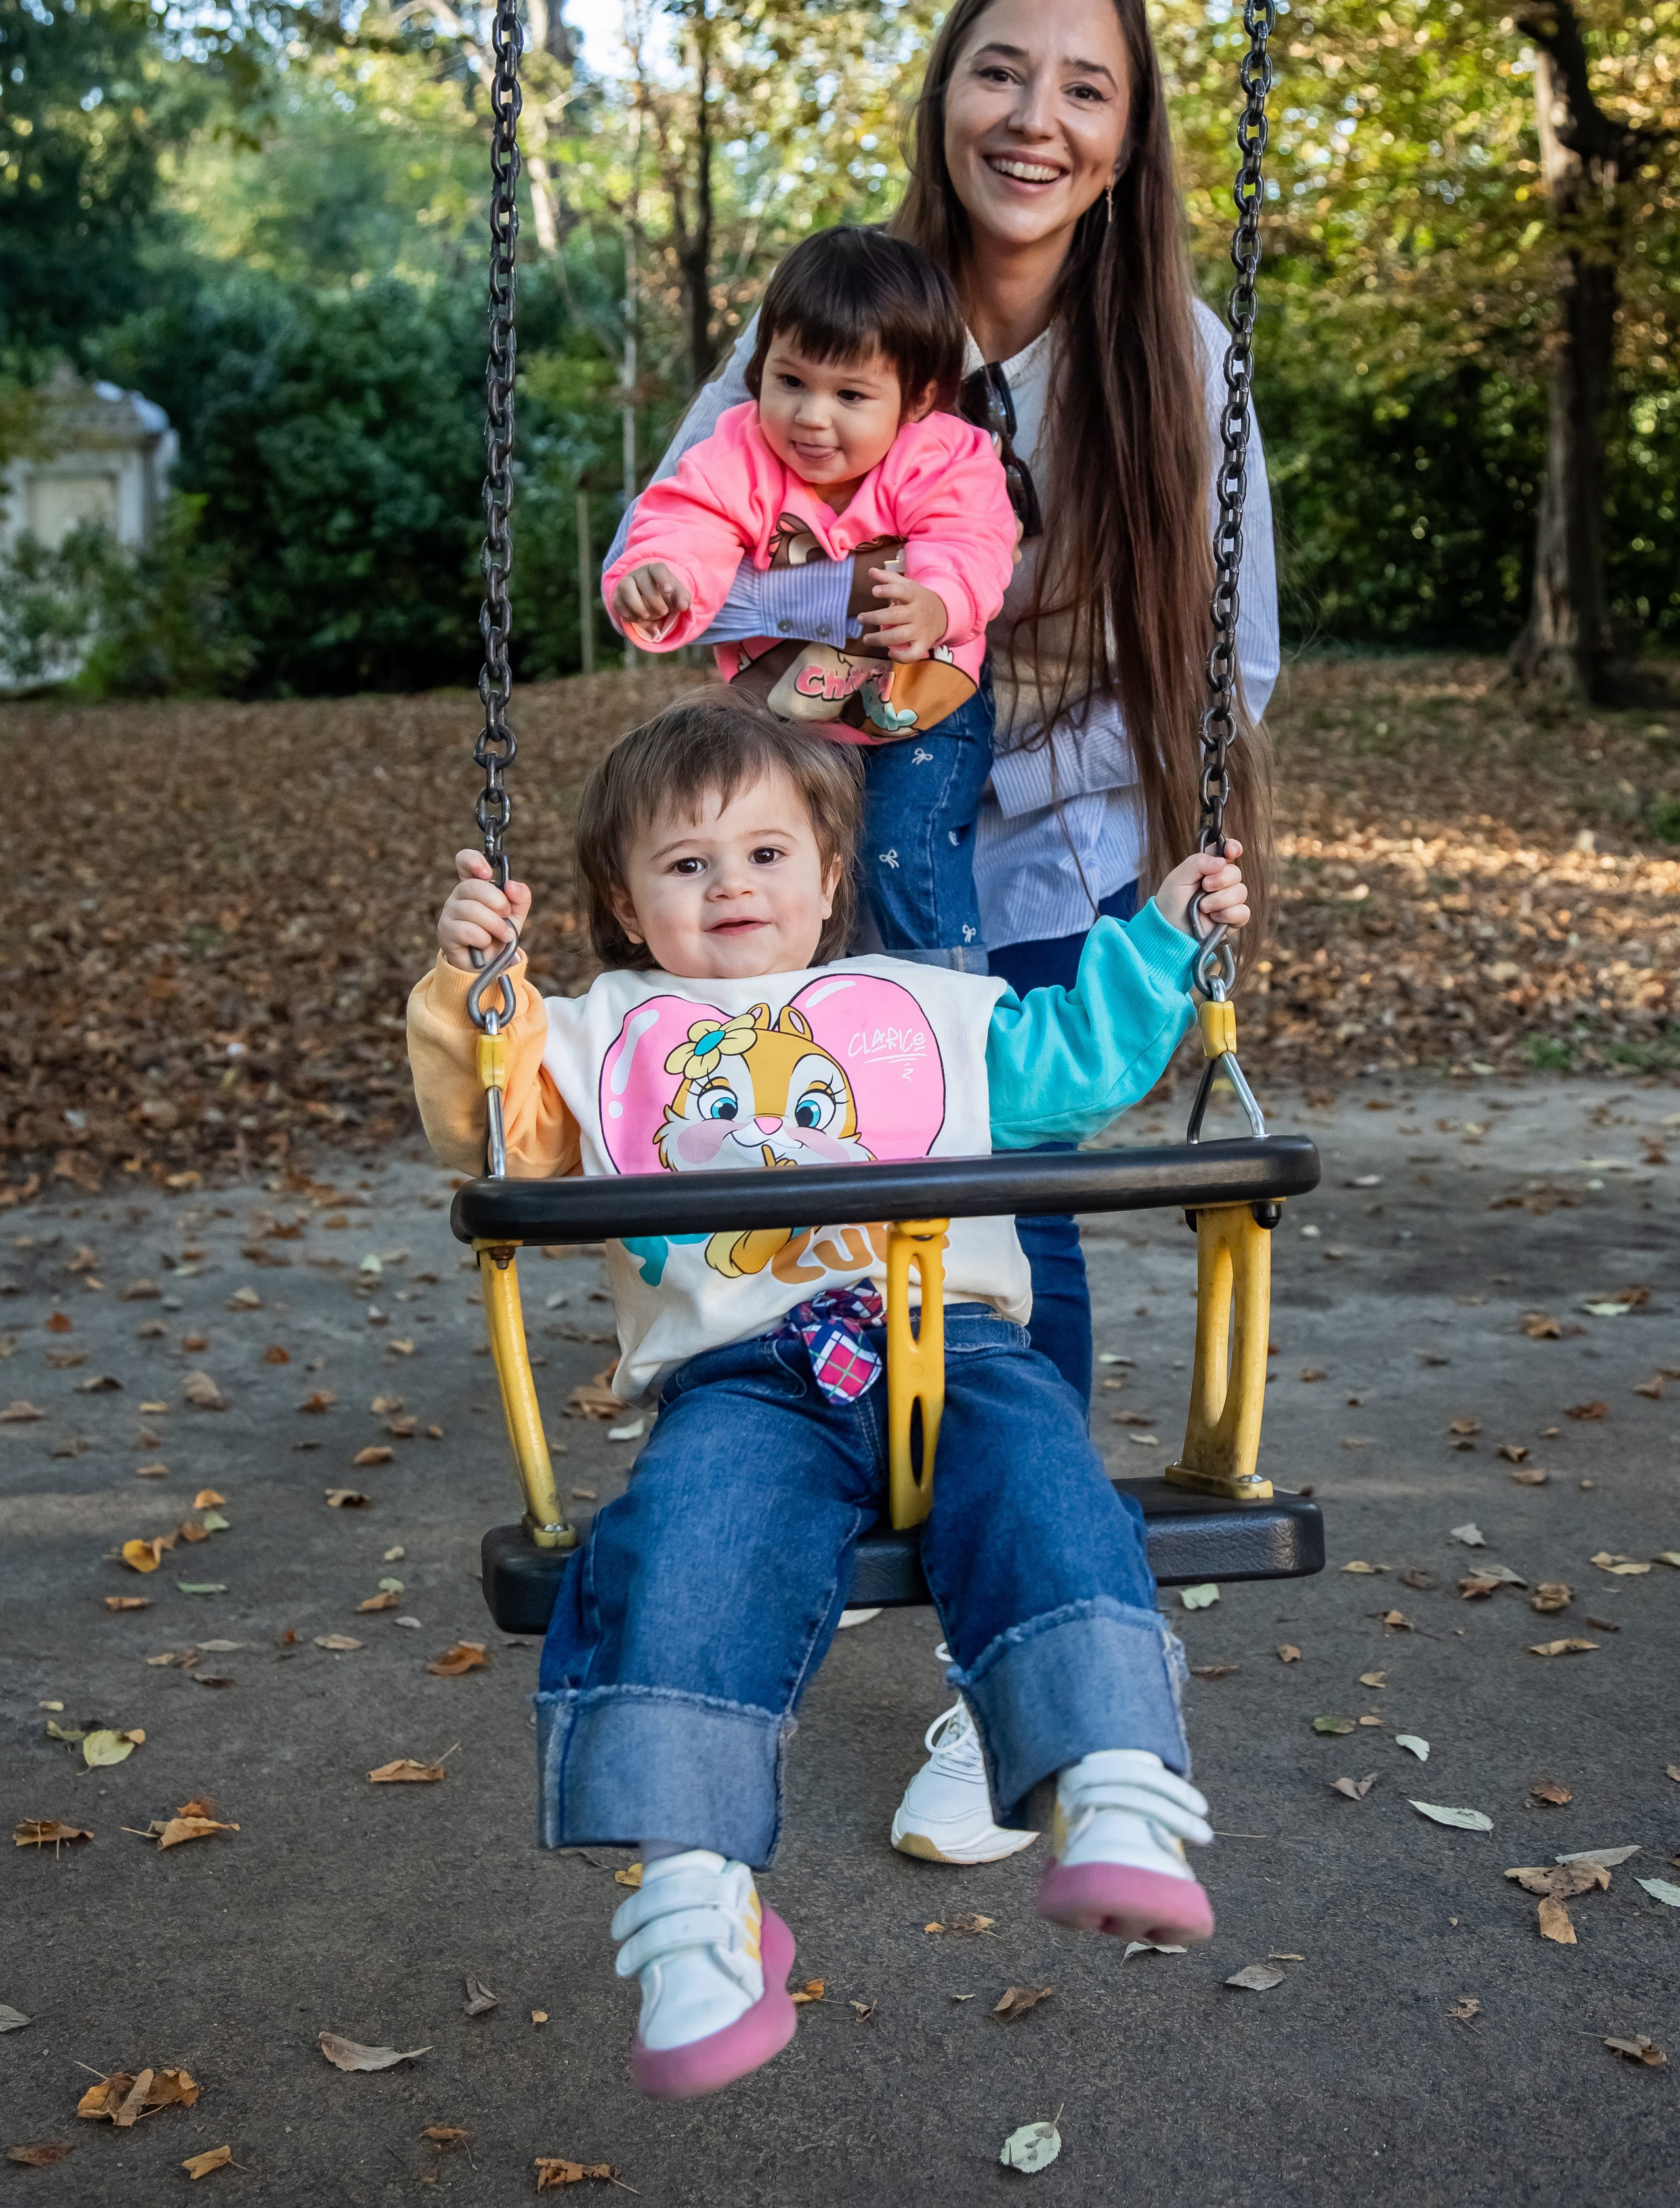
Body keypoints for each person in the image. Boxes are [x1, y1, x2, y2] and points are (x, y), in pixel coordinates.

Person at [606, 0, 1280, 1865]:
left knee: (1013, 1203)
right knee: (842, 1220)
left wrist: (1058, 731)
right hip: (845, 849)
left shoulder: (1175, 355)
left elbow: (1227, 662)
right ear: (946, 91)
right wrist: (868, 626)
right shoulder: (841, 320)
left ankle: (1015, 1686)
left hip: (1060, 852)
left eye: (1083, 85)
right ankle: (891, 1555)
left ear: (1127, 129)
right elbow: (689, 573)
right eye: (1003, 70)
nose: (1036, 116)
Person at [407, 696, 1251, 2102]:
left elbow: (1077, 1069)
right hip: (742, 1379)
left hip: (957, 1343)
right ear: (622, 899)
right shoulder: (602, 1031)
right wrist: (473, 987)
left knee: (1047, 1485)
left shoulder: (926, 1003)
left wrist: (1163, 935)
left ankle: (1111, 1788)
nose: (730, 885)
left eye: (764, 853)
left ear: (826, 875)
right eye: (685, 865)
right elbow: (496, 1130)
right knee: (682, 1549)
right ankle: (696, 1907)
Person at [605, 226, 1018, 972]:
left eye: (850, 395)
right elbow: (685, 520)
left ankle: (943, 1001)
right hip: (783, 707)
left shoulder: (943, 456)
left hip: (919, 699)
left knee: (903, 842)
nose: (811, 417)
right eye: (790, 382)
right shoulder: (739, 453)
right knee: (764, 855)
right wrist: (660, 576)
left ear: (917, 398)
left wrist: (937, 601)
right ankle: (792, 1004)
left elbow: (973, 538)